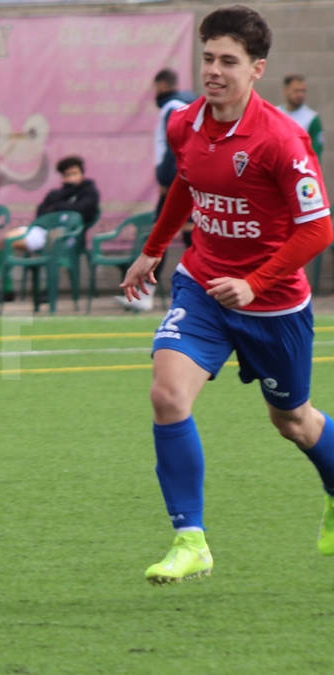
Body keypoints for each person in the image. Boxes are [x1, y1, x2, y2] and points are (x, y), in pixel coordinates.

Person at [121, 5, 334, 585]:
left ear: (256, 68)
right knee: (167, 396)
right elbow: (185, 189)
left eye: (228, 61)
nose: (214, 70)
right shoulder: (184, 124)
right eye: (208, 57)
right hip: (204, 286)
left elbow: (318, 228)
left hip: (273, 304)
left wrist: (256, 282)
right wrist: (154, 248)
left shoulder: (282, 139)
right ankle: (191, 539)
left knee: (292, 420)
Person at [116, 69, 197, 311]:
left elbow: (177, 147)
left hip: (177, 183)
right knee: (180, 235)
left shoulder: (172, 107)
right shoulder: (185, 104)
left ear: (161, 85)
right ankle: (149, 293)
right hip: (182, 180)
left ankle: (149, 294)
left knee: (168, 235)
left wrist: (166, 179)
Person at [0, 157, 99, 302]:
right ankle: (8, 289)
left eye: (75, 173)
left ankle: (49, 289)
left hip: (70, 236)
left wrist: (56, 207)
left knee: (55, 240)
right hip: (43, 231)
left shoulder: (89, 192)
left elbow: (81, 210)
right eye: (67, 175)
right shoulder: (55, 194)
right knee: (4, 241)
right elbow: (41, 213)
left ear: (82, 174)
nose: (71, 178)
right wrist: (62, 203)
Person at [280, 73, 324, 160]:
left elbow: (316, 154)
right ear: (285, 90)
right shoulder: (275, 114)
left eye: (303, 91)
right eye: (296, 91)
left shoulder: (312, 118)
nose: (300, 95)